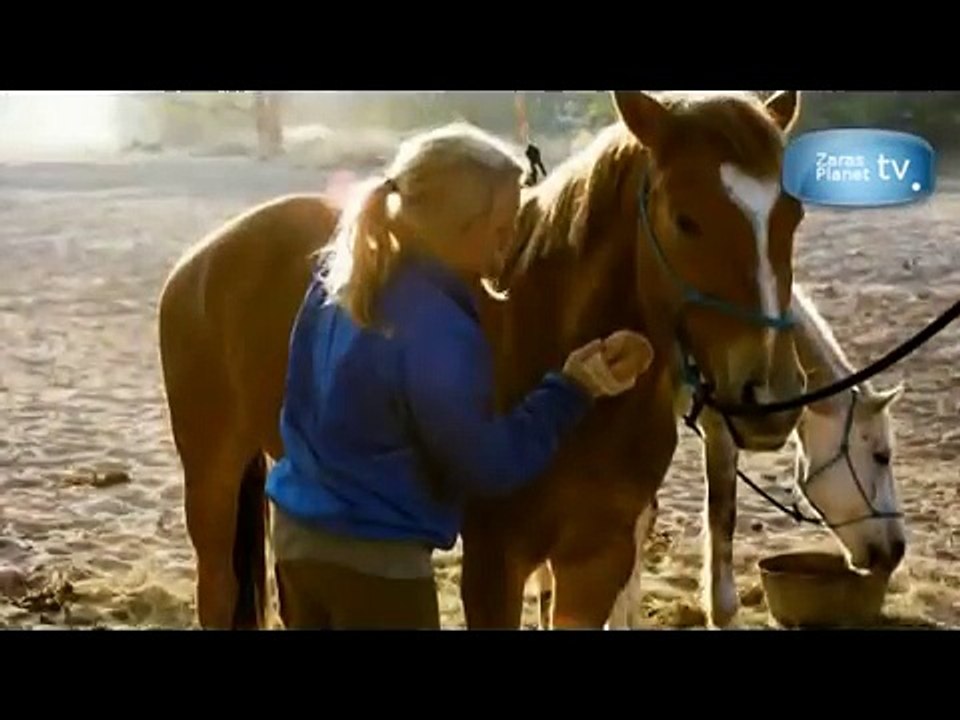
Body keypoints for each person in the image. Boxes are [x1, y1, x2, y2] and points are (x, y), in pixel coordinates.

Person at [265, 122, 655, 630]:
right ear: (458, 226)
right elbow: (485, 465)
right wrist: (575, 388)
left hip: (298, 543)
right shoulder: (437, 327)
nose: (512, 239)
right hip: (377, 569)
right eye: (503, 224)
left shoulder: (341, 281)